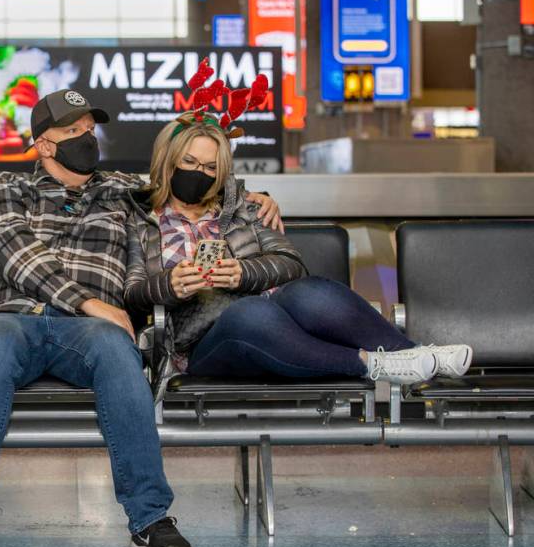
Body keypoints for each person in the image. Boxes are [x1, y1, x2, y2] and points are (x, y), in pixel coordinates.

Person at [0, 89, 284, 547]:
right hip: (14, 319)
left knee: (122, 357)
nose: (85, 139)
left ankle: (150, 519)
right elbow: (16, 255)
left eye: (89, 130)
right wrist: (93, 303)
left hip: (89, 334)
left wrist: (255, 198)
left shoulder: (122, 189)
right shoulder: (7, 186)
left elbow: (190, 183)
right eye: (71, 131)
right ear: (44, 145)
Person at [124, 109, 473, 385]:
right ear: (168, 161)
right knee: (252, 314)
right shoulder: (140, 218)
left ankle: (417, 356)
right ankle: (371, 363)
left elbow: (290, 263)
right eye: (189, 162)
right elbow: (134, 291)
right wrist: (171, 284)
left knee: (310, 291)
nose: (199, 172)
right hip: (200, 343)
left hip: (275, 316)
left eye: (210, 167)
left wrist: (243, 273)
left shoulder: (245, 207)